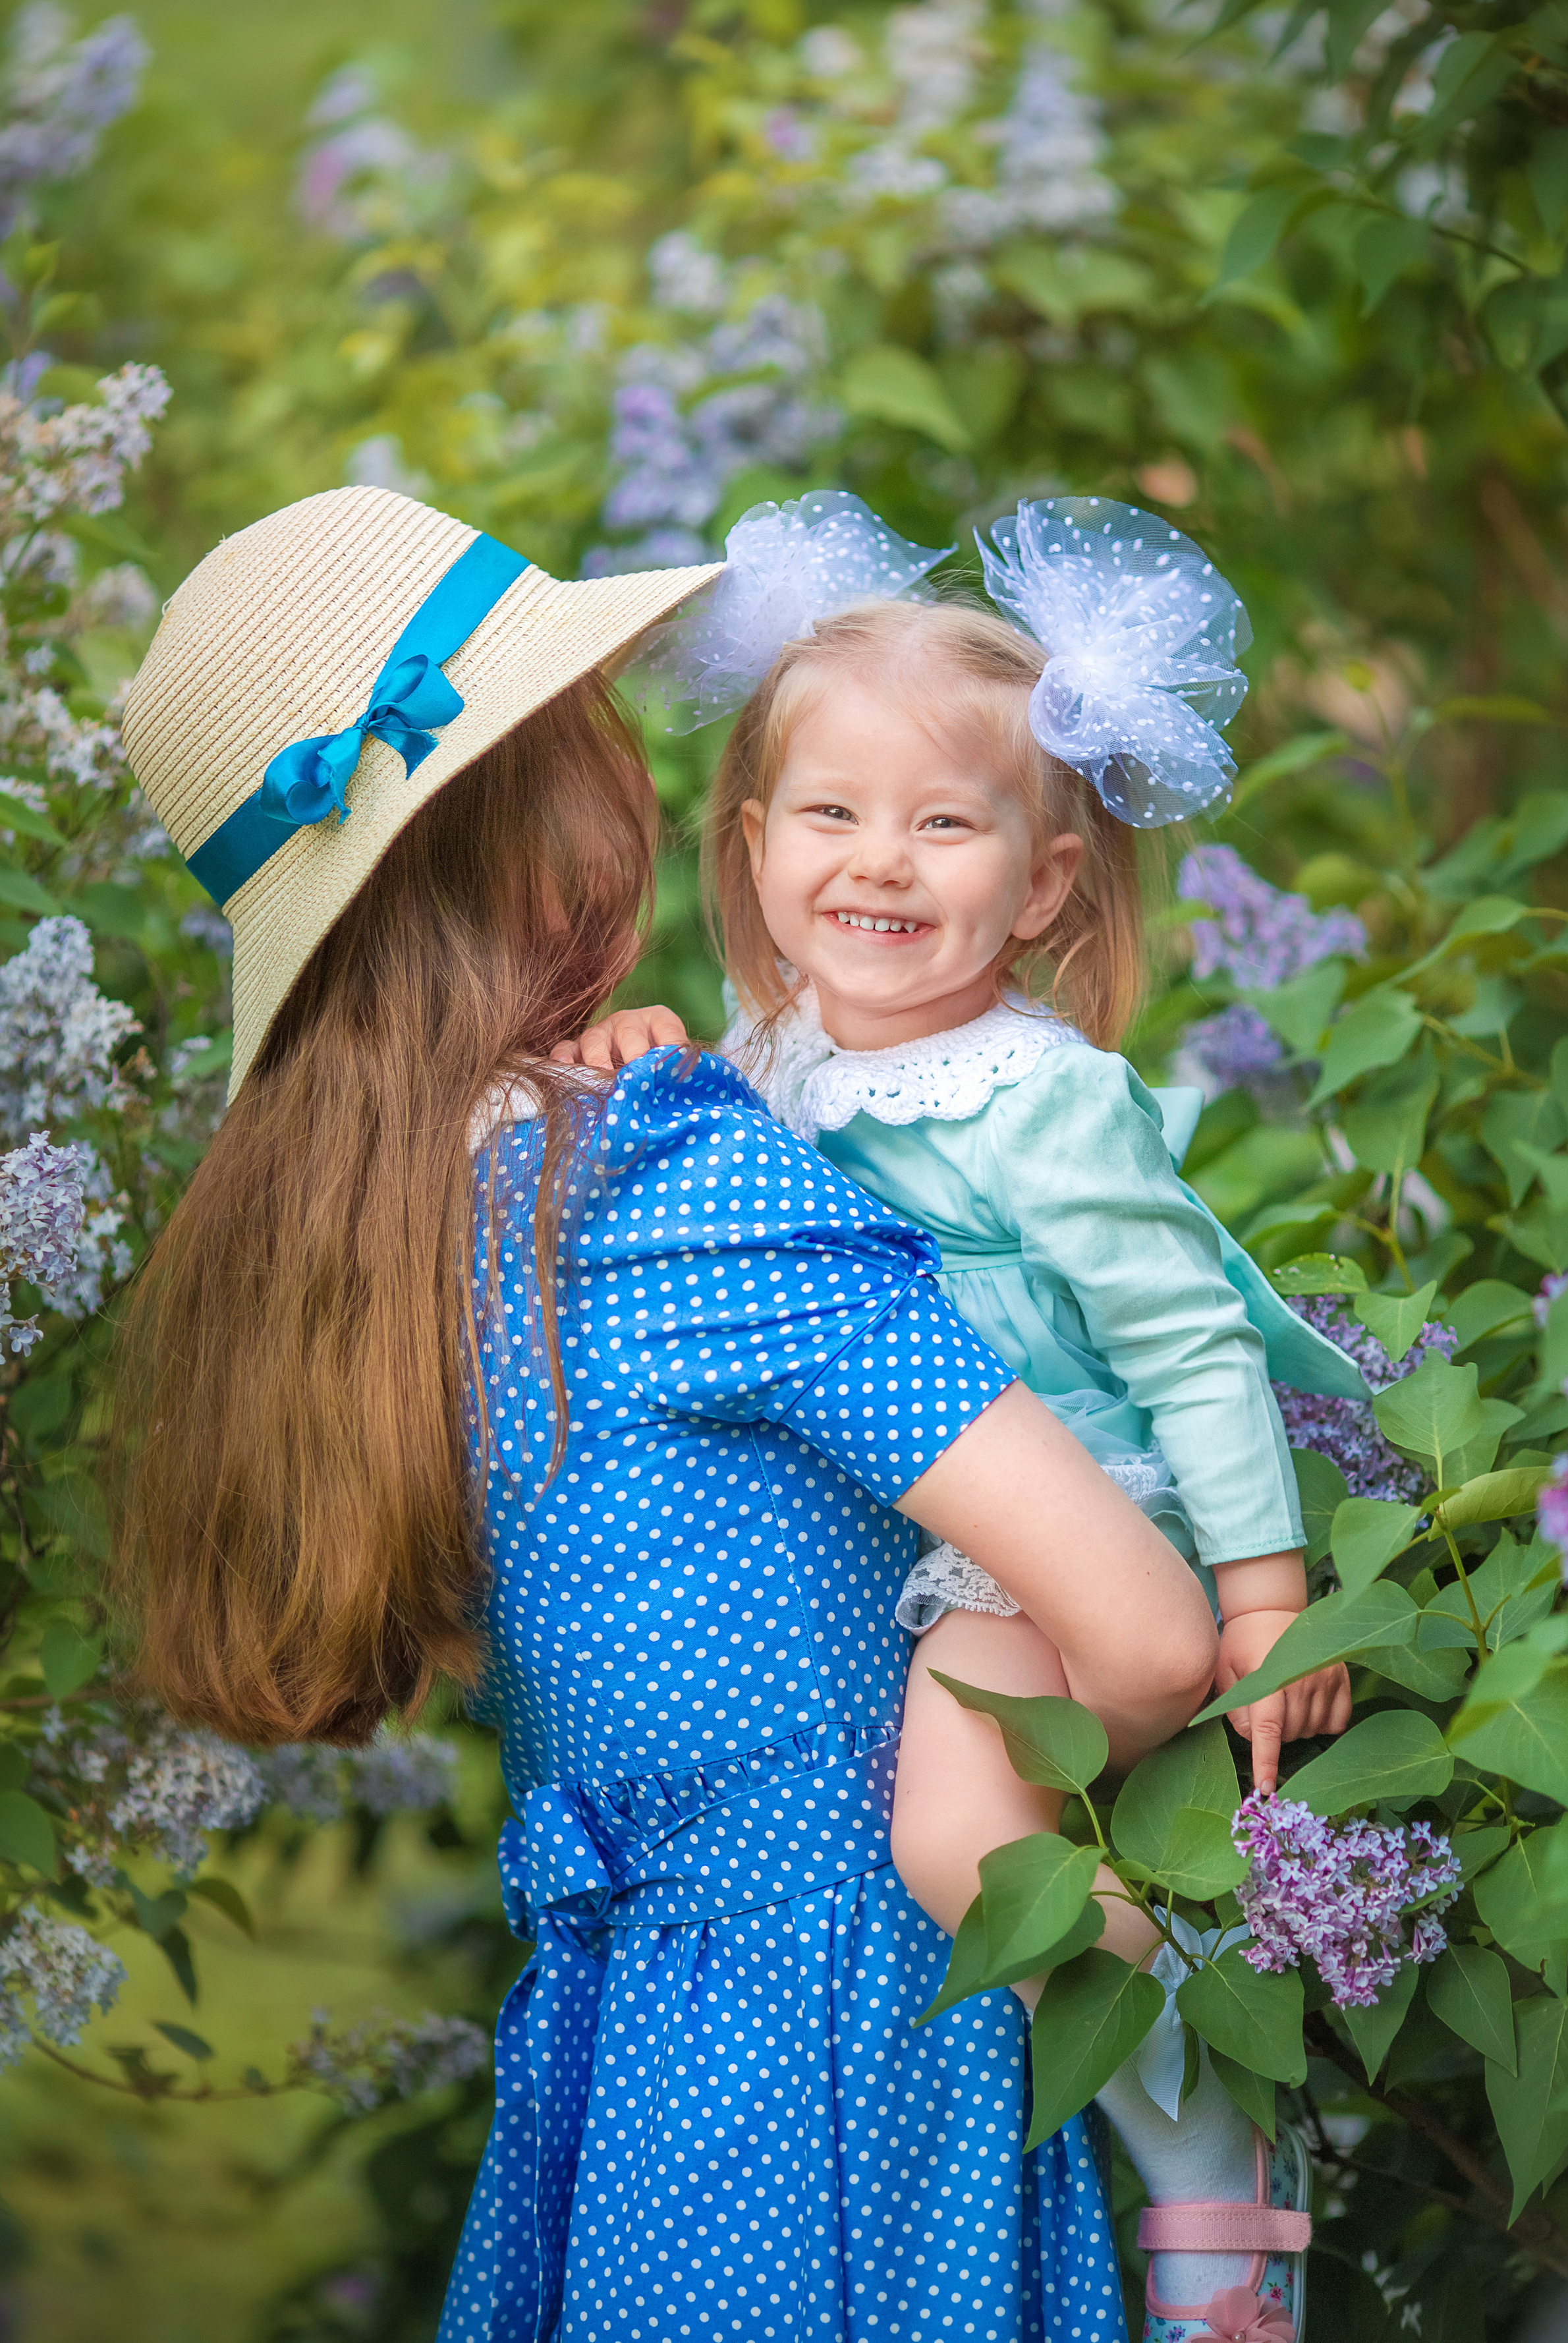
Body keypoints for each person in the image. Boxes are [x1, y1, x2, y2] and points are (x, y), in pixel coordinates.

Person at [111, 483, 1221, 2343]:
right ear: (542, 814)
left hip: (628, 2108)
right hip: (859, 2079)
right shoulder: (669, 1182)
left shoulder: (383, 1240)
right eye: (596, 732)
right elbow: (1146, 1628)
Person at [577, 491, 1371, 2343]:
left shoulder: (1042, 1094)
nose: (883, 859)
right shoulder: (775, 1063)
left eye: (947, 822)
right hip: (962, 1521)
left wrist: (1263, 1599)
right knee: (953, 1838)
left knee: (951, 1842)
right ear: (756, 843)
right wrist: (642, 1044)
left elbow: (1188, 1344)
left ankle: (1209, 2112)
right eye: (834, 816)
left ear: (1043, 880)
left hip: (1093, 1498)